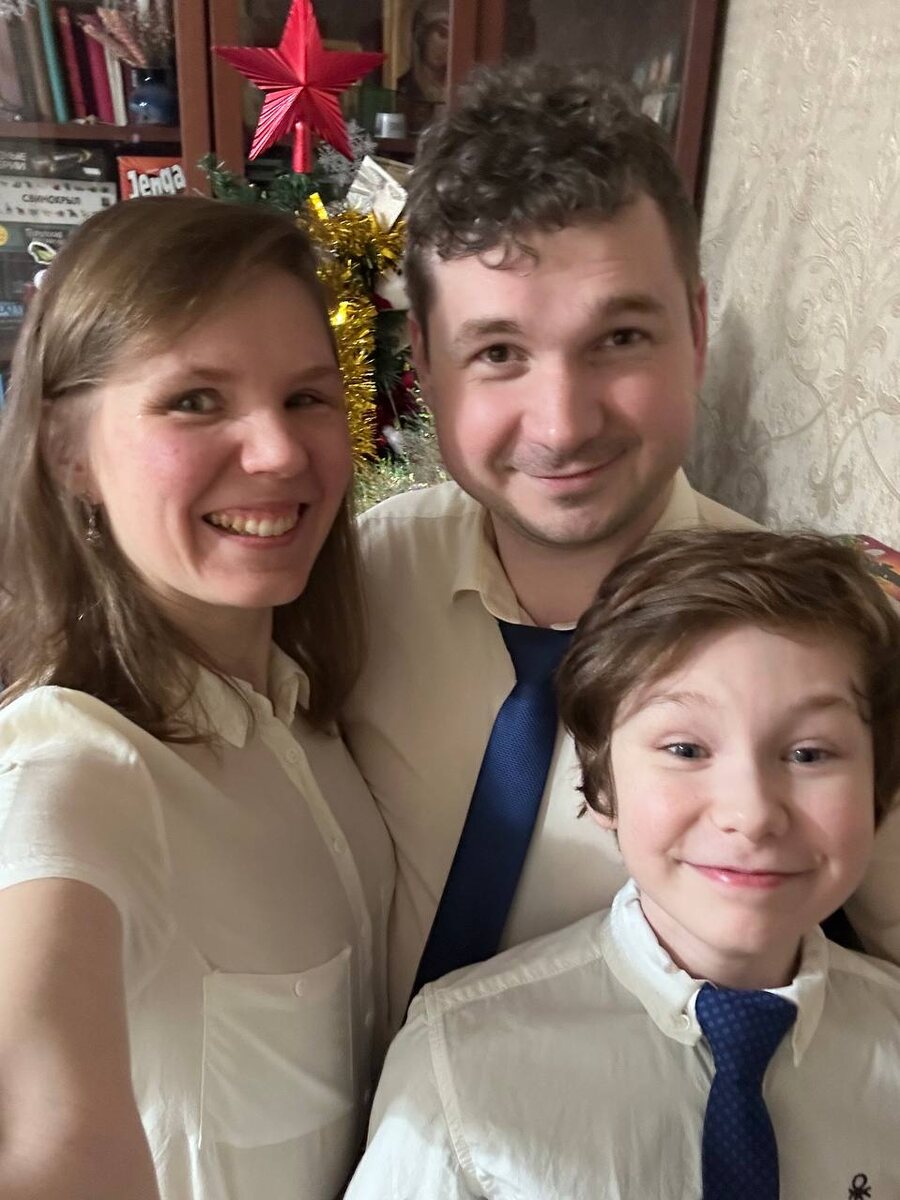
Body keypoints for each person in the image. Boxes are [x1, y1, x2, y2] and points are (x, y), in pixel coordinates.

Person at [343, 59, 766, 1024]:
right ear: (427, 369)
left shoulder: (816, 642)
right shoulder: (357, 581)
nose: (563, 424)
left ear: (696, 331)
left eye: (620, 339)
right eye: (498, 353)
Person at [0, 196, 394, 1200]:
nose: (279, 452)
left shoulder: (308, 715)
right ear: (68, 450)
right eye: (195, 400)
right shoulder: (75, 770)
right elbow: (39, 1127)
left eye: (306, 397)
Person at [345, 528, 900, 1198]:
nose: (752, 813)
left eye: (810, 753)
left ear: (879, 787)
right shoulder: (456, 1066)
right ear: (602, 788)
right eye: (685, 750)